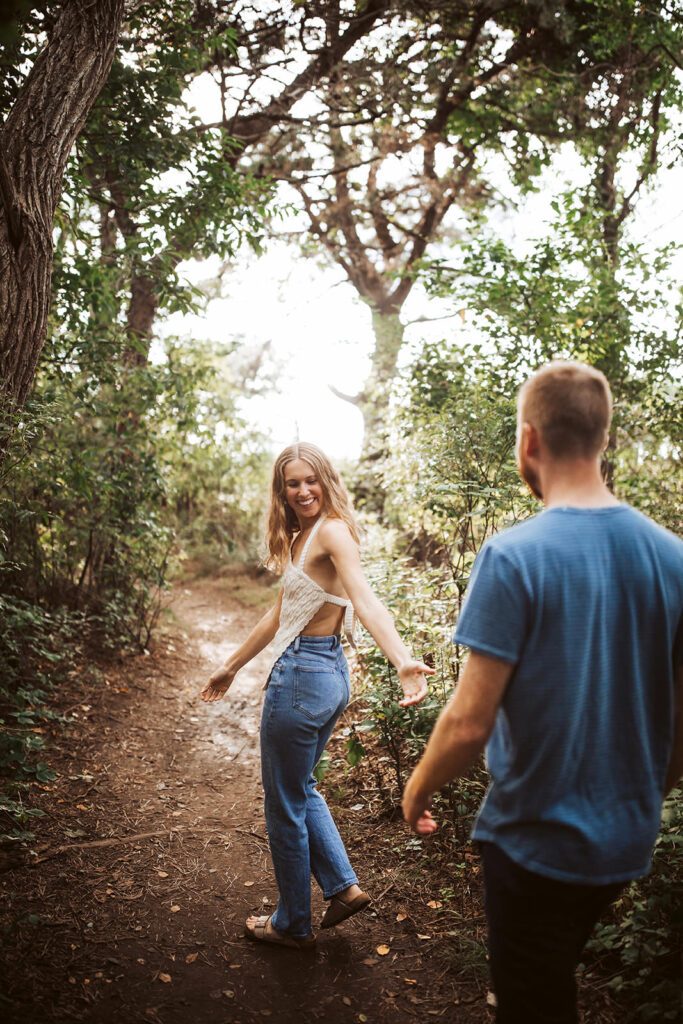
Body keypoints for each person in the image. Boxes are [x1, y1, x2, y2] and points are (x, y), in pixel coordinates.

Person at [401, 360, 683, 1023]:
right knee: (546, 977)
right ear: (602, 438)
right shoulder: (672, 557)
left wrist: (416, 789)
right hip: (624, 843)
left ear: (528, 440)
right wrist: (644, 792)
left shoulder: (513, 556)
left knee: (533, 1002)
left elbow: (469, 723)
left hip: (532, 844)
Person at [201, 442, 433, 950]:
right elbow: (278, 614)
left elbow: (366, 599)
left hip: (305, 677)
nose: (303, 490)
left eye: (311, 480)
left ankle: (291, 924)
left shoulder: (330, 531)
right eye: (292, 483)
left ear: (326, 479)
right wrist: (230, 666)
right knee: (300, 787)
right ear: (281, 491)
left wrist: (402, 661)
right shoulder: (304, 536)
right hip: (325, 674)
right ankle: (344, 888)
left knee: (283, 803)